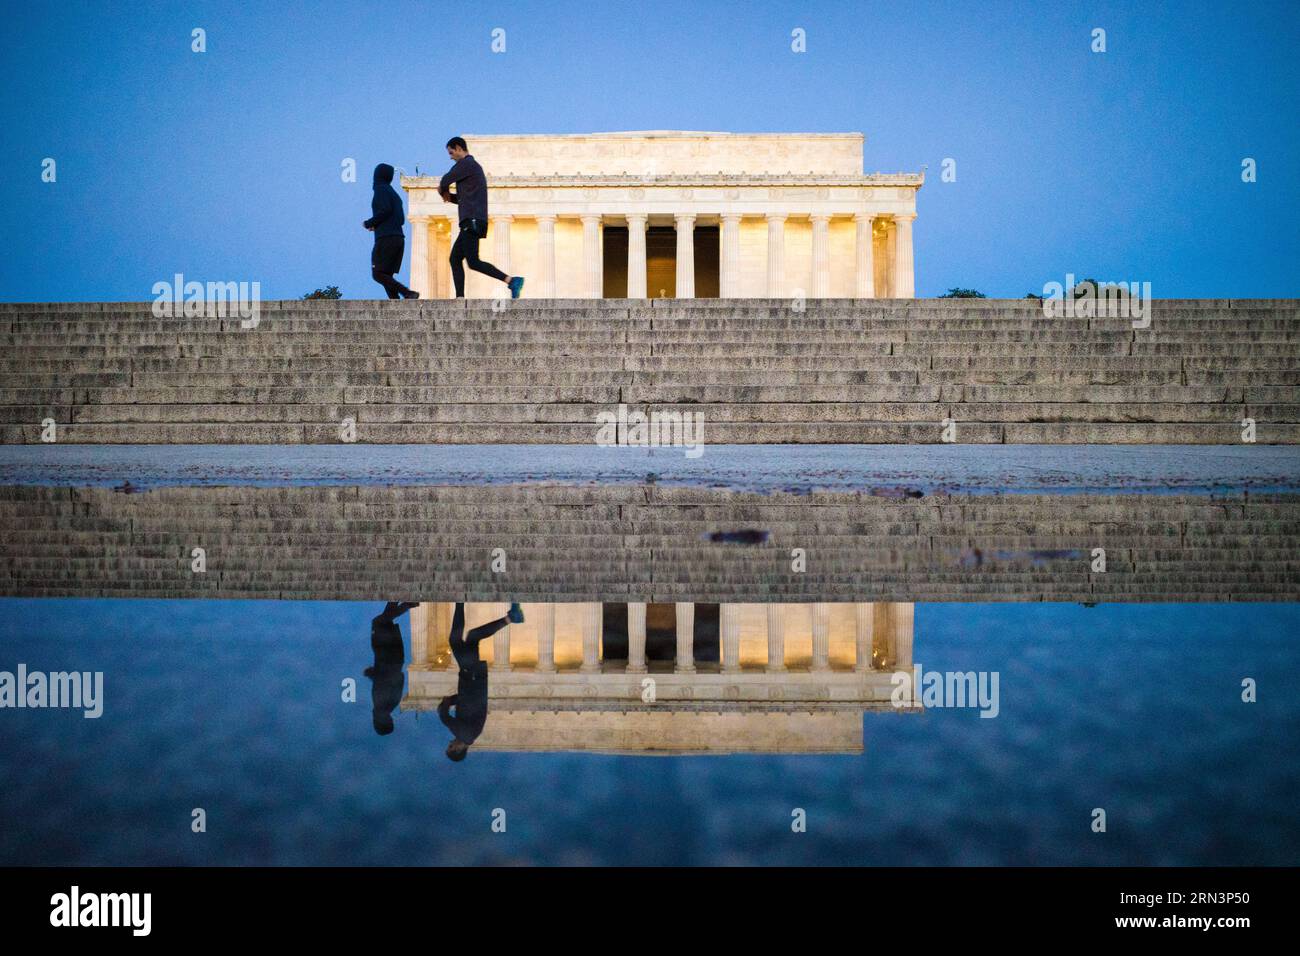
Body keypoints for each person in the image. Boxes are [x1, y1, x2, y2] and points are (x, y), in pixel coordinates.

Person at [439, 137, 525, 299]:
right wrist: (449, 197)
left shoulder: (467, 164)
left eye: (451, 152)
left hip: (471, 221)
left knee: (473, 261)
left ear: (458, 148)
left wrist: (442, 191)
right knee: (455, 259)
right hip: (472, 220)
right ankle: (460, 297)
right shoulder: (472, 168)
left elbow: (445, 180)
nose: (451, 157)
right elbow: (465, 198)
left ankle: (512, 280)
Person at [438, 601, 524, 761]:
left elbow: (466, 703)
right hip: (472, 677)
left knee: (472, 637)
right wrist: (444, 705)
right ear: (458, 749)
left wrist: (452, 700)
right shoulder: (465, 735)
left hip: (474, 679)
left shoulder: (471, 733)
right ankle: (461, 603)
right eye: (451, 746)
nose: (450, 742)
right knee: (456, 640)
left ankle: (510, 618)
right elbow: (445, 718)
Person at [364, 163, 419, 300]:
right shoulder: (394, 195)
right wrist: (378, 225)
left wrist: (370, 223)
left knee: (378, 274)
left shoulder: (381, 190)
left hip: (386, 238)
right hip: (398, 238)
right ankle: (395, 302)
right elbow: (400, 219)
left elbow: (385, 210)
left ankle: (408, 293)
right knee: (386, 275)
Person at [365, 602, 418, 735]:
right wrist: (372, 674)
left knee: (383, 622)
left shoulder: (389, 705)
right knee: (379, 622)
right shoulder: (382, 706)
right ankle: (406, 605)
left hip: (393, 658)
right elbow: (387, 680)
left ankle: (403, 602)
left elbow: (399, 679)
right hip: (386, 656)